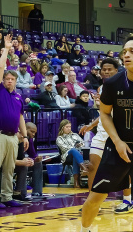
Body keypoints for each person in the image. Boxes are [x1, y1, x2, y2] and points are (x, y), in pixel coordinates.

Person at [78, 58, 130, 212]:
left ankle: (127, 201)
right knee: (92, 167)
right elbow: (104, 114)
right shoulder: (102, 88)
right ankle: (93, 203)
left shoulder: (124, 86)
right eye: (104, 70)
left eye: (110, 69)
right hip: (101, 134)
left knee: (125, 168)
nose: (106, 72)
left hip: (118, 134)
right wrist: (91, 125)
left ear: (117, 70)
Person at [0, 33, 28, 209]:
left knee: (9, 168)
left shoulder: (19, 96)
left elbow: (20, 117)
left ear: (16, 81)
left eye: (12, 79)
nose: (9, 81)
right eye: (7, 79)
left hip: (13, 137)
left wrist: (25, 136)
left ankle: (7, 196)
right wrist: (6, 49)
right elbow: (1, 67)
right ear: (3, 80)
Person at [14, 122, 43, 200]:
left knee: (38, 163)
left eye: (35, 133)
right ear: (24, 129)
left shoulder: (29, 140)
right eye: (32, 132)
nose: (33, 134)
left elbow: (33, 155)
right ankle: (21, 193)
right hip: (12, 162)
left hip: (18, 162)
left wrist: (36, 159)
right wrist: (24, 162)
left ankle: (37, 192)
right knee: (24, 165)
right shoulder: (15, 138)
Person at [56, 119, 85, 188]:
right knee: (73, 151)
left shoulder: (75, 135)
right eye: (67, 127)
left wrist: (79, 145)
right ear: (62, 128)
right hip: (66, 156)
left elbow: (83, 143)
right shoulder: (59, 138)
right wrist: (75, 146)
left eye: (70, 127)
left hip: (77, 155)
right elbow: (65, 148)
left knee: (75, 155)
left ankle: (76, 182)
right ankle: (84, 168)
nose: (69, 128)